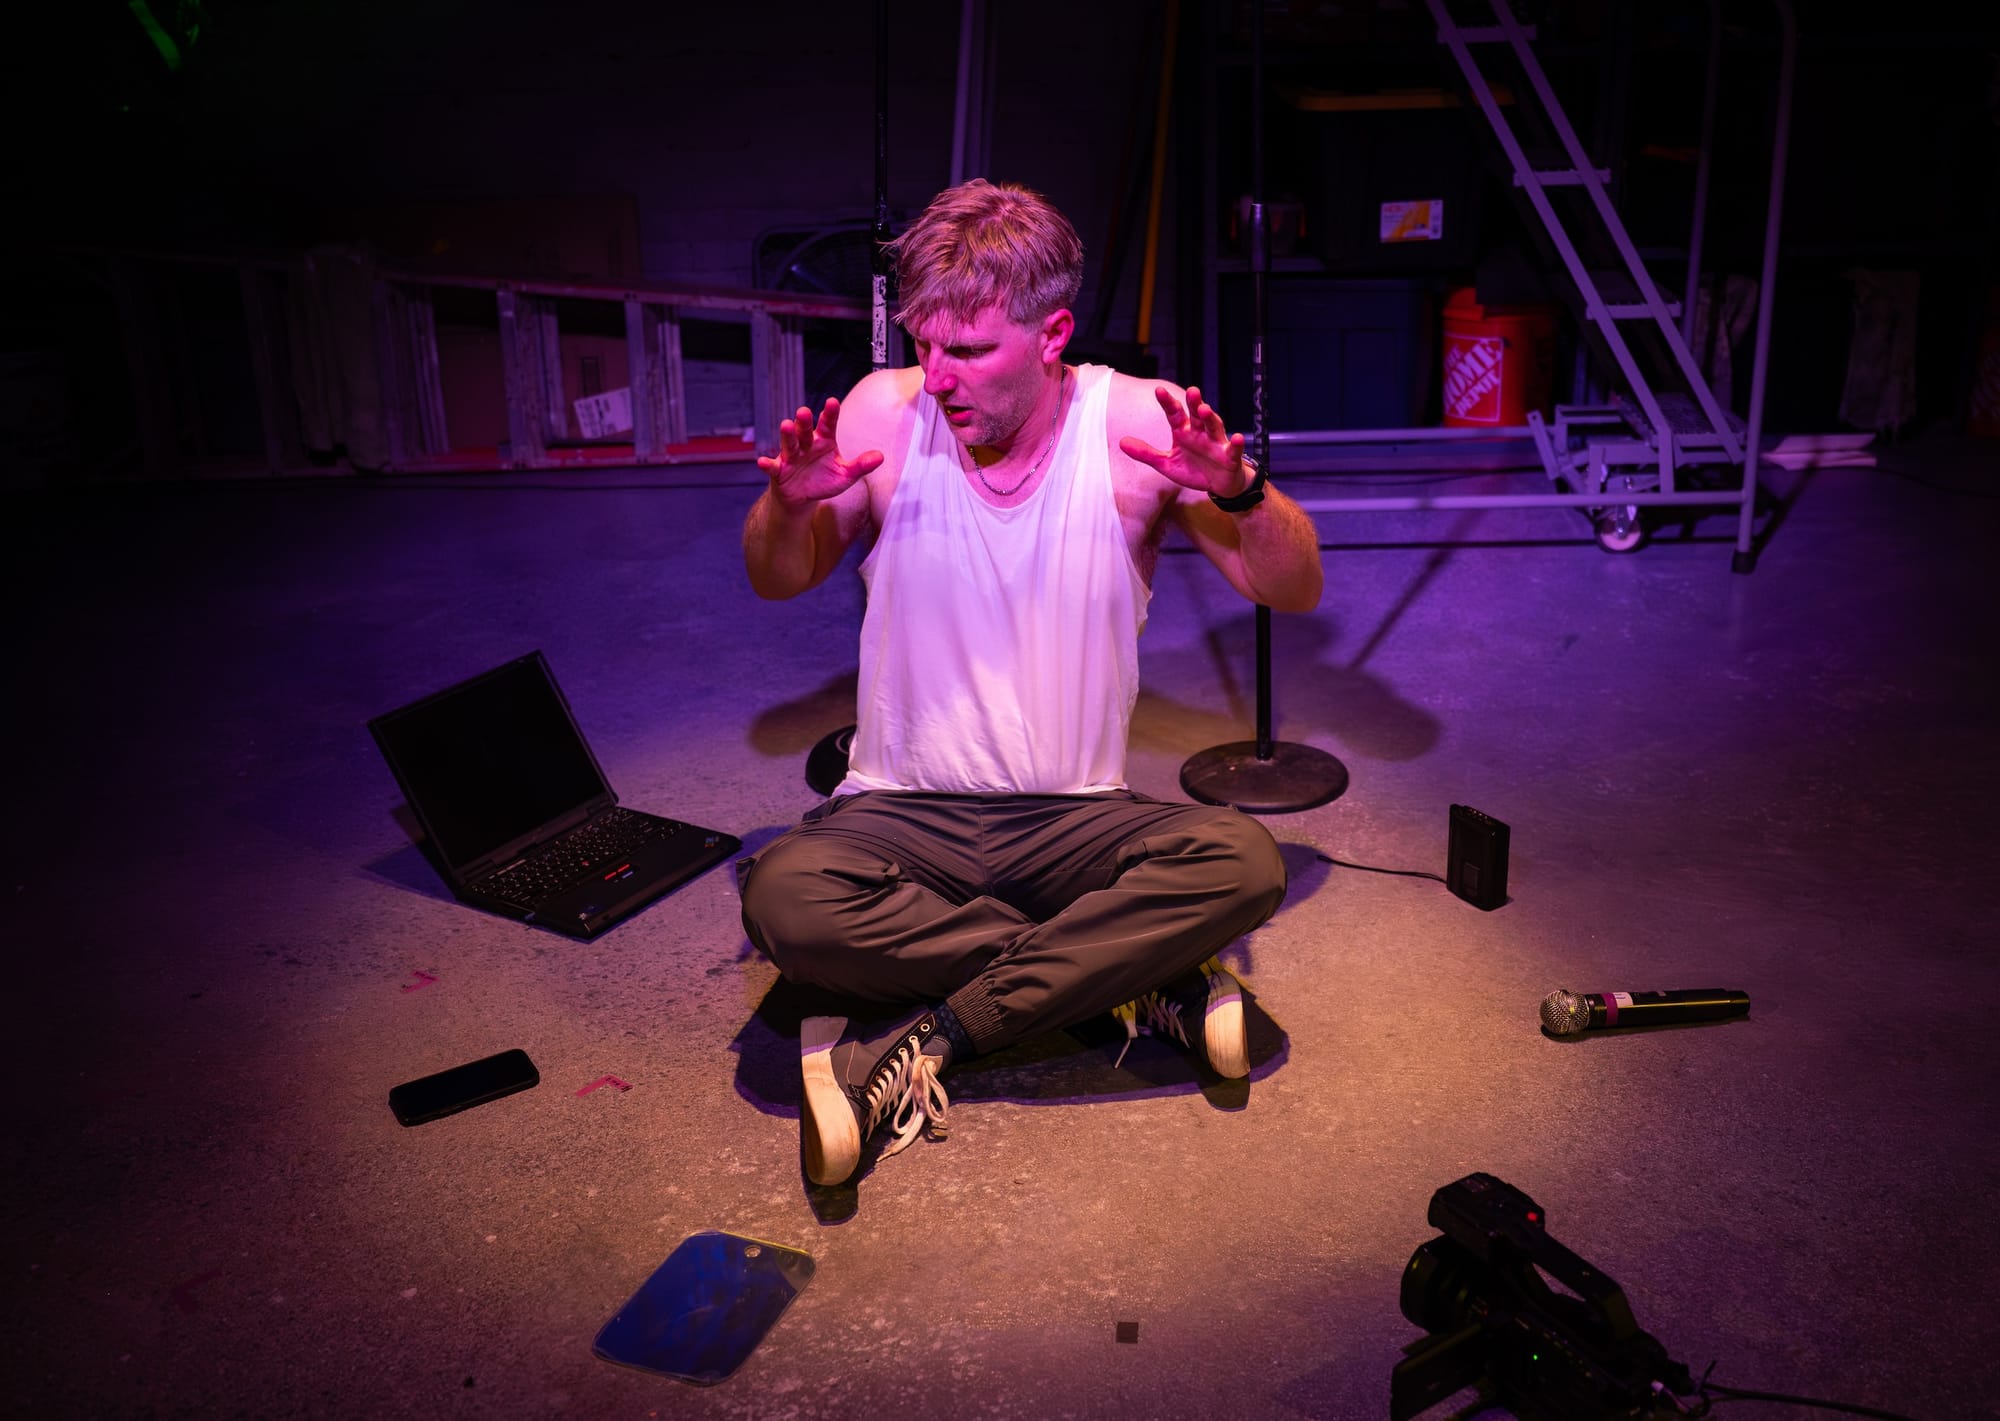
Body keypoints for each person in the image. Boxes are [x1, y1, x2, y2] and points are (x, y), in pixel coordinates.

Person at [738, 179, 1324, 1188]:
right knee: (785, 898)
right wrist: (786, 508)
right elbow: (776, 577)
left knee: (1241, 863)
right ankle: (1135, 975)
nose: (938, 374)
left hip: (1075, 819)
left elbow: (1293, 585)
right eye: (924, 344)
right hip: (899, 809)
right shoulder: (886, 412)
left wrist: (1239, 491)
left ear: (1053, 334)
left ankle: (930, 1031)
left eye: (968, 350)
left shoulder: (1137, 426)